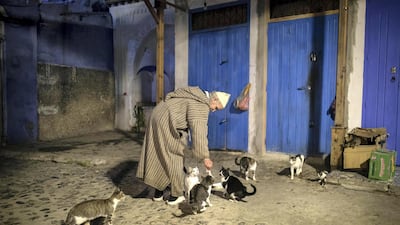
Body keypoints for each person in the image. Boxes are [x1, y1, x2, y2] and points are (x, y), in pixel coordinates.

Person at [136, 86, 231, 205]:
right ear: (214, 100)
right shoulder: (201, 105)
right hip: (165, 121)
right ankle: (175, 195)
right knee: (176, 156)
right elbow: (199, 132)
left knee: (160, 153)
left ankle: (158, 193)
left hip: (157, 115)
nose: (213, 110)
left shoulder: (196, 94)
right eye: (216, 108)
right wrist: (205, 156)